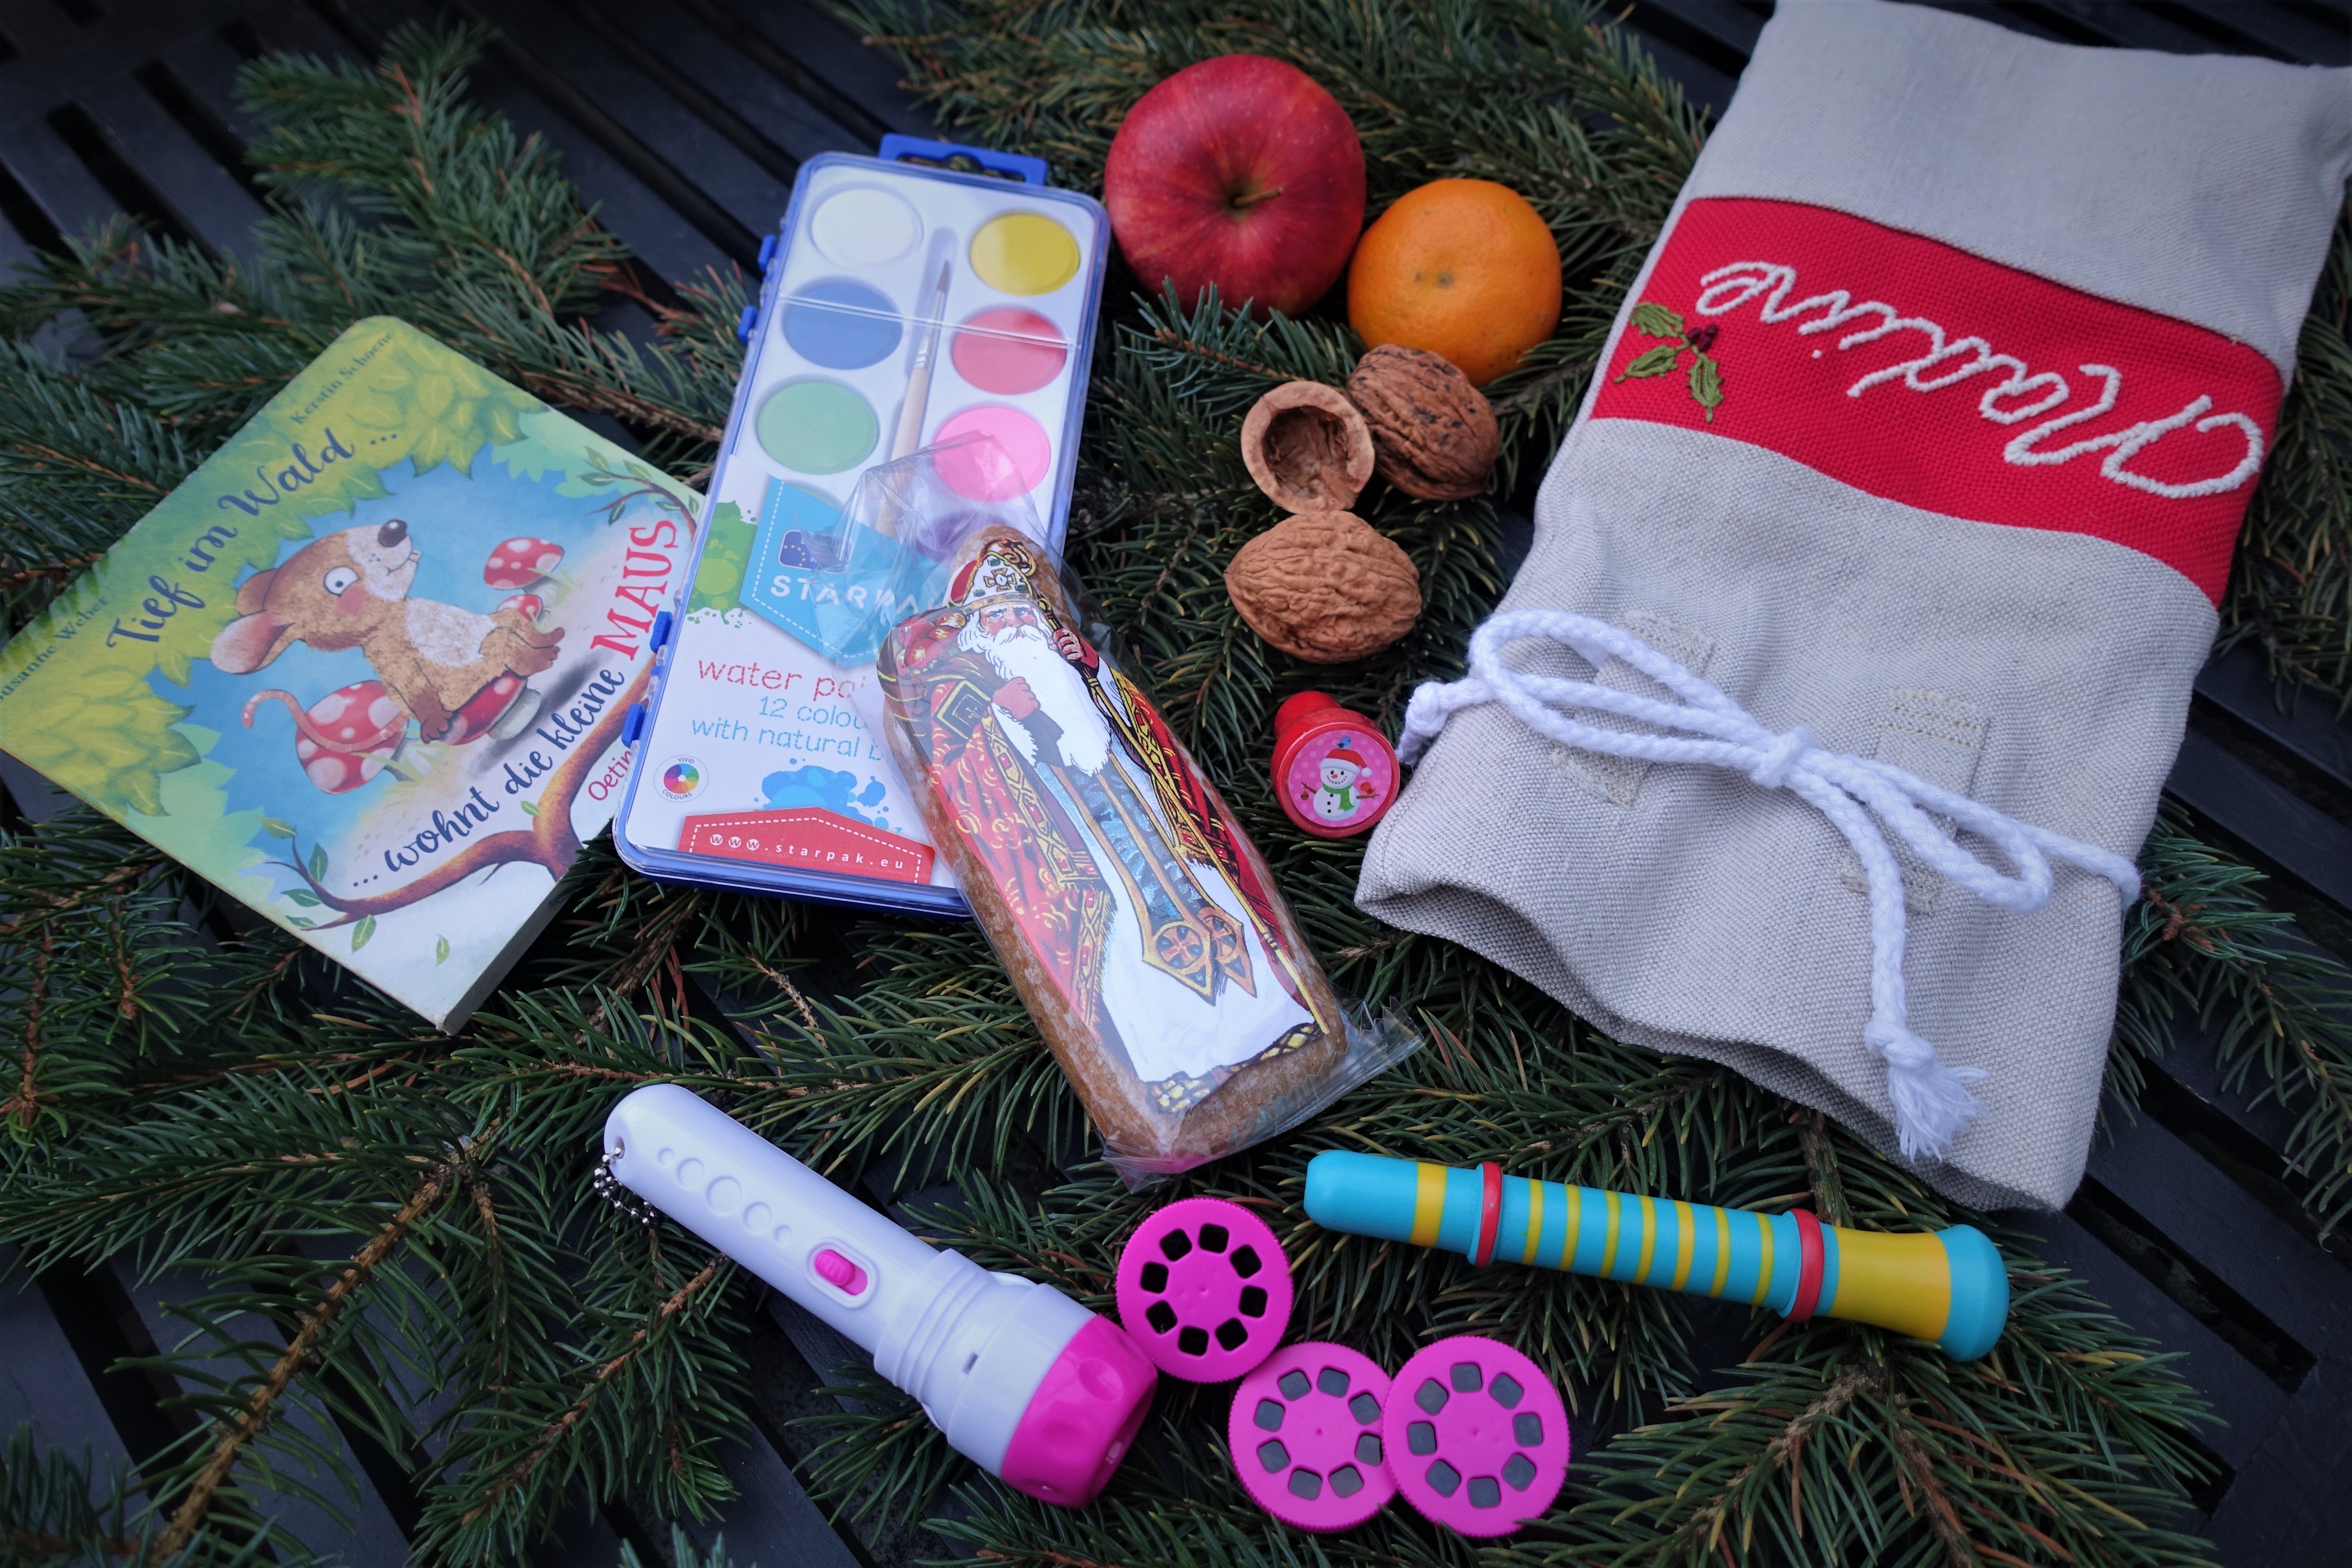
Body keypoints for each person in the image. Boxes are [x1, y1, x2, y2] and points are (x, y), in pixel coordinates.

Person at [883, 534, 1333, 1110]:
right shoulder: (973, 693)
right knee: (1124, 948)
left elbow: (1138, 732)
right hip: (1084, 855)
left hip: (1156, 826)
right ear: (979, 633)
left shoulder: (1072, 667)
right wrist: (1007, 717)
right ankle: (1174, 1074)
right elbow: (969, 782)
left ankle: (1274, 1022)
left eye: (1022, 614)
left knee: (1217, 903)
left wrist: (1092, 672)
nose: (1017, 626)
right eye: (1001, 619)